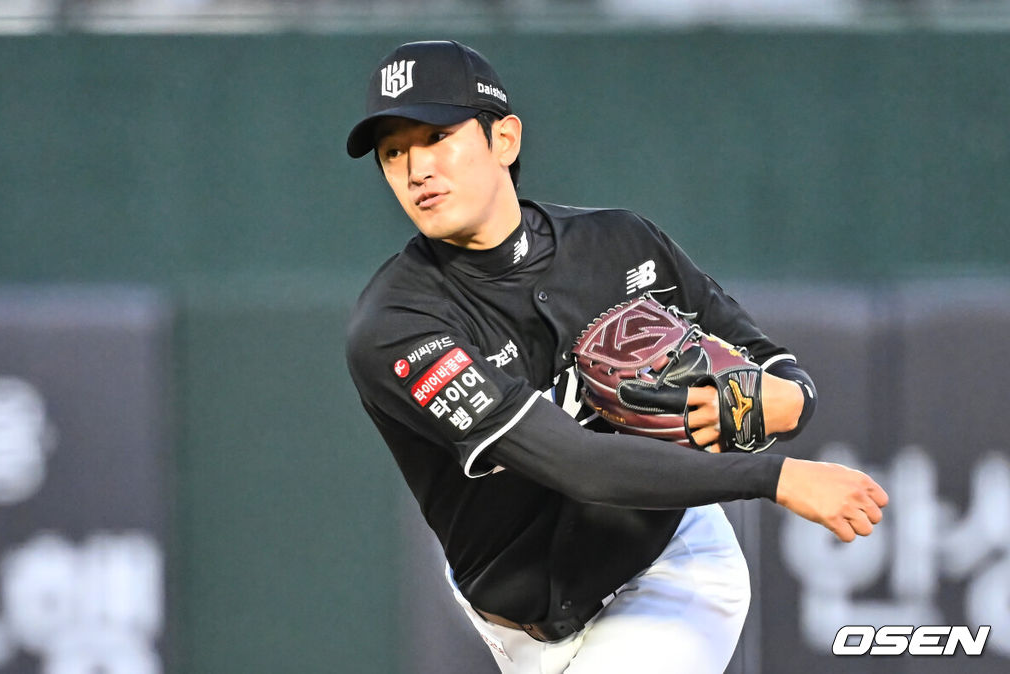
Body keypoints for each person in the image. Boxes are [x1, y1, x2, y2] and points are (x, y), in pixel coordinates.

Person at [345, 40, 888, 674]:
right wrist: (774, 477)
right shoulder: (397, 325)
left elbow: (772, 367)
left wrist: (784, 400)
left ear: (505, 141)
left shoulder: (619, 243)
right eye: (393, 152)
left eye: (437, 135)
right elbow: (576, 465)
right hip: (518, 620)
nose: (416, 170)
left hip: (668, 569)